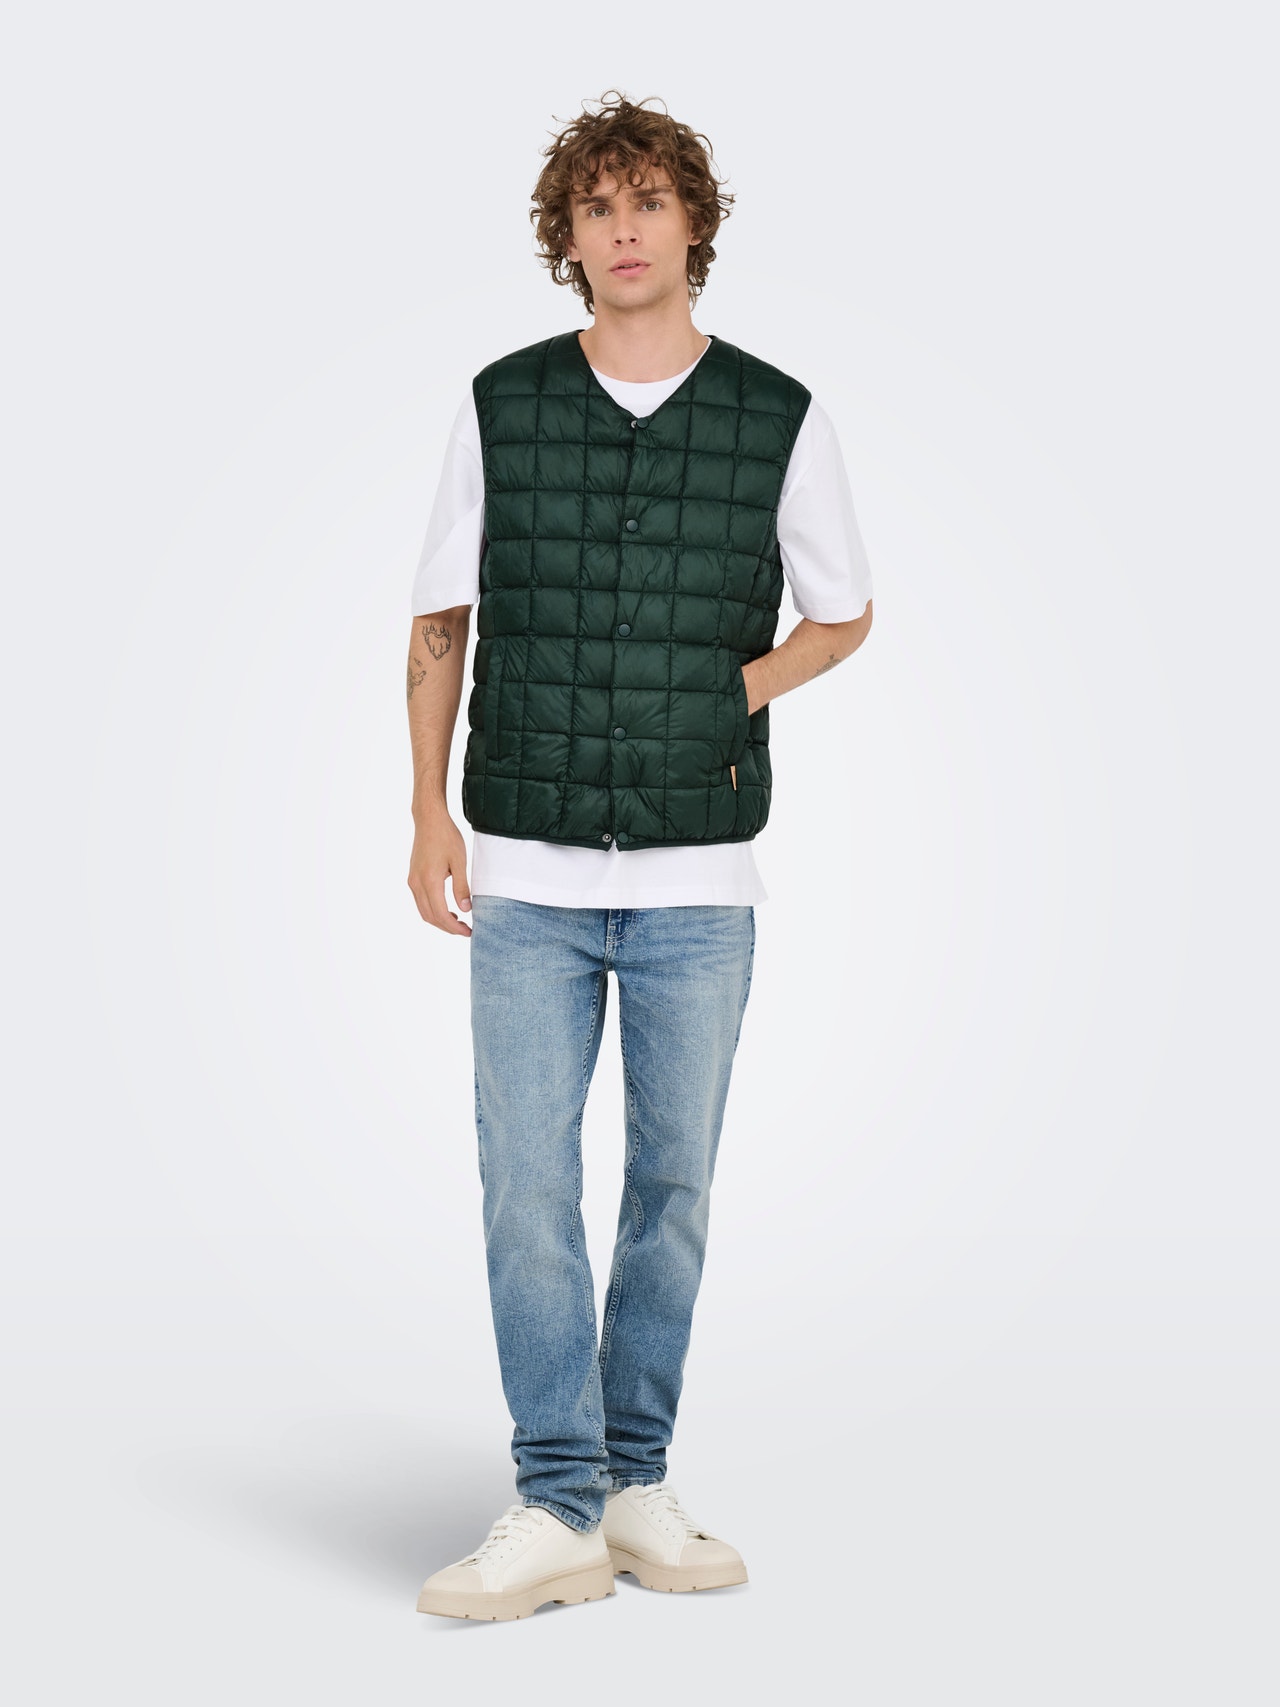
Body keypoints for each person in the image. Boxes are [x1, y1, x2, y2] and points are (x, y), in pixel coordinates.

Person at [407, 90, 874, 1622]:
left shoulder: (778, 415)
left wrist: (736, 690)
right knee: (525, 1186)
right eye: (596, 206)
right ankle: (556, 1499)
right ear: (569, 236)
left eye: (649, 201)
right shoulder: (502, 404)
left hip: (697, 889)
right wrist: (425, 812)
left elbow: (844, 611)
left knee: (671, 1187)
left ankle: (632, 1478)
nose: (623, 229)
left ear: (692, 225)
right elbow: (439, 620)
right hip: (528, 879)